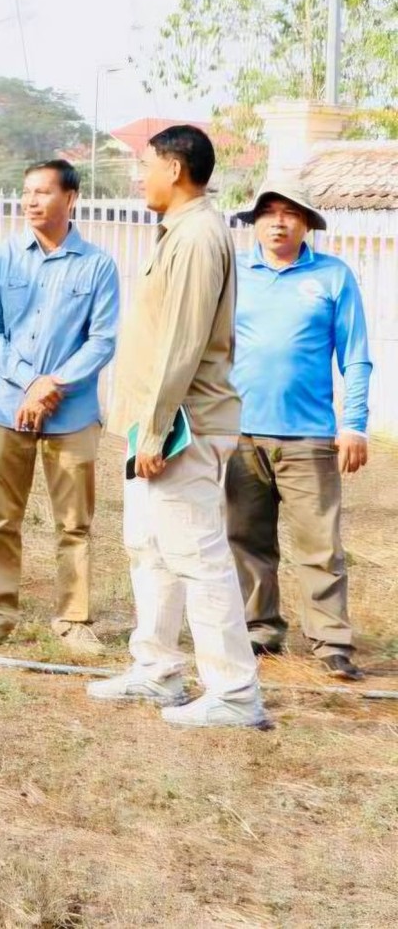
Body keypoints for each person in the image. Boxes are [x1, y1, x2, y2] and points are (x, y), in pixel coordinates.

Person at [86, 124, 267, 727]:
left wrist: (158, 430)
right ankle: (157, 670)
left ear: (174, 168)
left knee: (197, 555)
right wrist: (146, 427)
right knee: (150, 548)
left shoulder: (197, 236)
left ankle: (235, 693)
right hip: (155, 424)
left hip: (182, 427)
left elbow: (182, 345)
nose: (139, 176)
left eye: (145, 165)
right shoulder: (179, 231)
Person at [0, 159, 120, 655]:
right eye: (27, 191)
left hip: (71, 414)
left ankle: (73, 620)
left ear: (70, 198)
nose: (31, 200)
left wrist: (54, 384)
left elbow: (102, 340)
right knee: (2, 517)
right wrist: (30, 382)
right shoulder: (1, 257)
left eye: (43, 192)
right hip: (5, 406)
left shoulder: (97, 265)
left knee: (74, 523)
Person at [225, 181, 373, 683]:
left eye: (290, 213)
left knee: (320, 546)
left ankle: (331, 642)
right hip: (240, 433)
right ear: (255, 222)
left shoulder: (332, 275)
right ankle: (259, 629)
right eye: (268, 213)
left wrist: (354, 425)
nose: (279, 222)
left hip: (309, 435)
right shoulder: (235, 273)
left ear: (307, 223)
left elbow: (355, 356)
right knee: (246, 539)